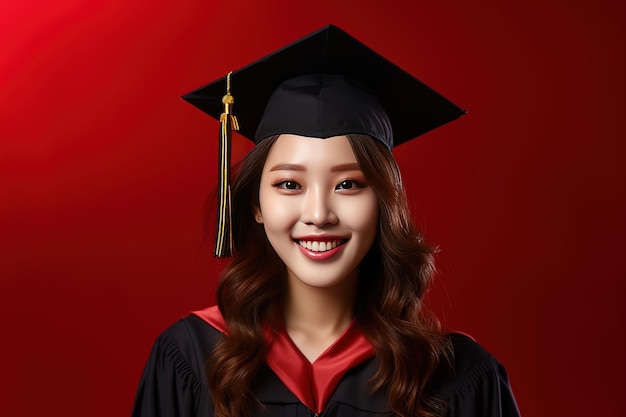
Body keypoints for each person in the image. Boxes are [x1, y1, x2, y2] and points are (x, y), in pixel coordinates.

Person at [132, 25, 521, 417]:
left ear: (385, 203)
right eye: (289, 184)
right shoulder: (190, 359)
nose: (318, 214)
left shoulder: (458, 376)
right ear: (255, 205)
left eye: (349, 184)